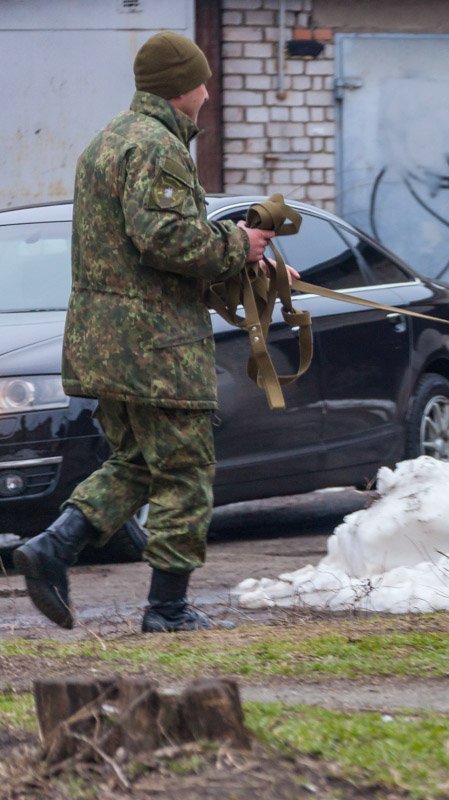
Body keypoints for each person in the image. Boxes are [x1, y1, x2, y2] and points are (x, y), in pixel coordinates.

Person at [13, 31, 275, 632]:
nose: (208, 94)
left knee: (136, 463)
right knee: (185, 472)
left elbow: (144, 245)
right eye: (202, 82)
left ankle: (52, 547)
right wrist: (240, 242)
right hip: (155, 344)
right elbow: (166, 240)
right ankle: (168, 609)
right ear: (181, 88)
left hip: (109, 342)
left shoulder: (107, 142)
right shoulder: (156, 146)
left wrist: (247, 261)